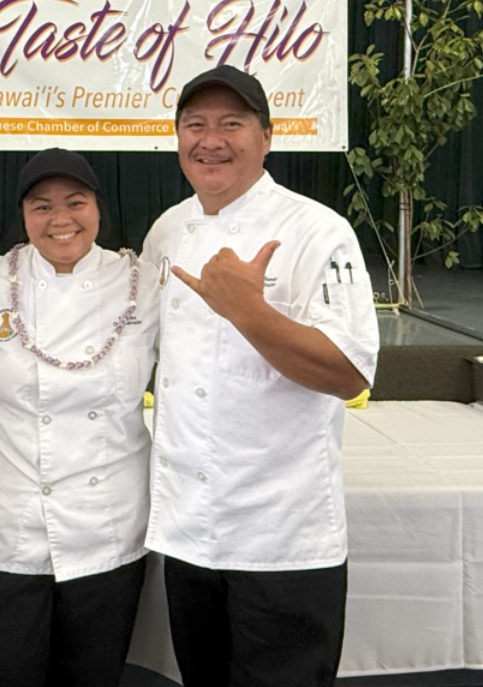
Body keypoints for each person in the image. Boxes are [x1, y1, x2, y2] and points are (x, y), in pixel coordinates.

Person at [141, 65, 380, 687]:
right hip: (190, 531)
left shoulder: (317, 230)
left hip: (282, 537)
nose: (210, 139)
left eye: (231, 124)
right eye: (195, 124)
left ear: (267, 138)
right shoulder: (167, 230)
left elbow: (349, 373)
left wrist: (246, 309)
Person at [0, 148, 159, 687]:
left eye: (76, 202)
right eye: (41, 206)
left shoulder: (144, 282)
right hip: (6, 523)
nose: (60, 219)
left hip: (106, 525)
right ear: (23, 215)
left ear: (98, 207)